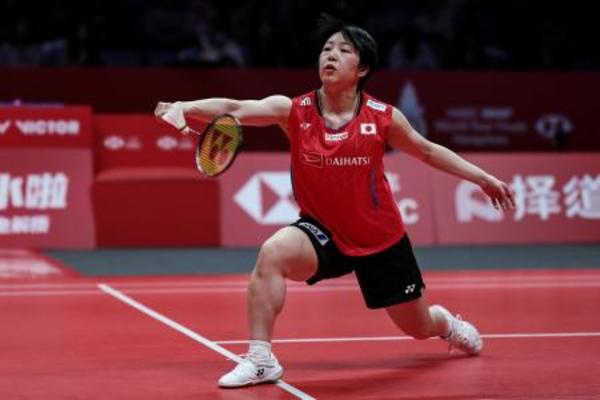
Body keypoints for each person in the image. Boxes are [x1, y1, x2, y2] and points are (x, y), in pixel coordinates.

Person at [154, 14, 515, 388]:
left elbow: (426, 151)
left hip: (380, 238)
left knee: (418, 326)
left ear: (363, 69)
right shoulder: (294, 110)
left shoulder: (382, 117)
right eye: (327, 49)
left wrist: (482, 178)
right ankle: (261, 359)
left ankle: (447, 324)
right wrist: (184, 105)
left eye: (344, 50)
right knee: (272, 253)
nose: (331, 55)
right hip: (322, 231)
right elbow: (238, 107)